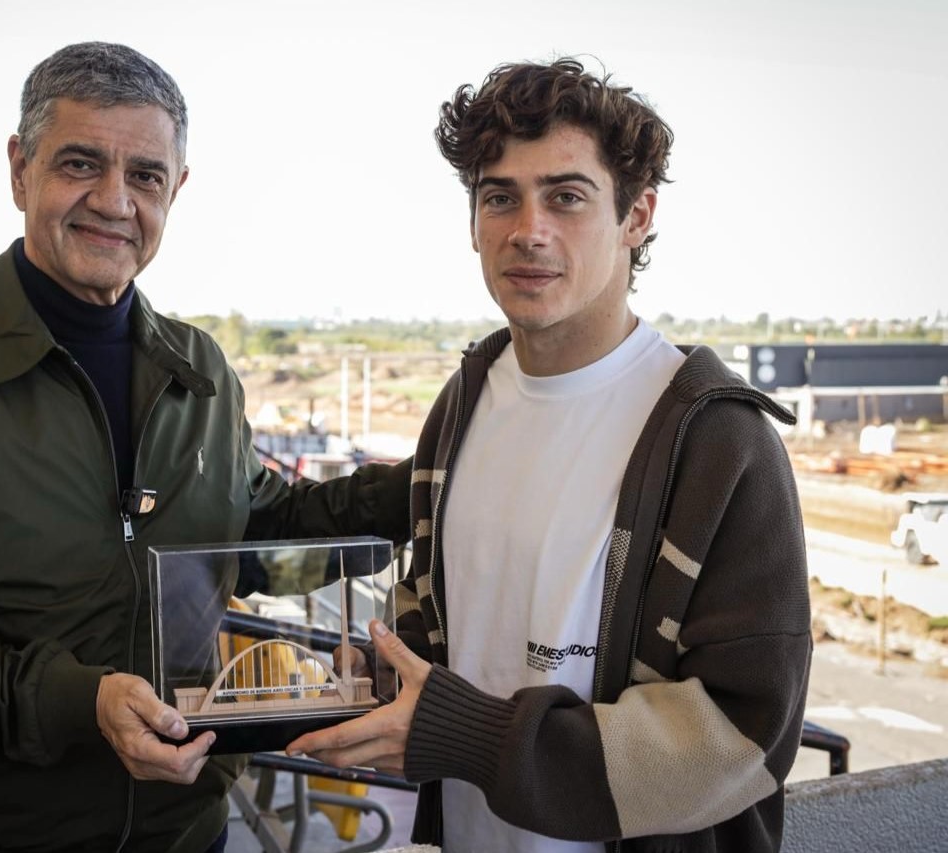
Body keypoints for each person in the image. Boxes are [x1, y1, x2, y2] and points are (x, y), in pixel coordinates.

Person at [0, 42, 410, 853]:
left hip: (178, 831)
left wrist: (417, 491)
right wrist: (77, 702)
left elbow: (249, 536)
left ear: (176, 189)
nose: (114, 201)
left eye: (146, 175)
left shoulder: (201, 373)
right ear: (20, 170)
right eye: (81, 163)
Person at [288, 58, 810, 853]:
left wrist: (473, 736)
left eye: (567, 196)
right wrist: (372, 677)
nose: (528, 228)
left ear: (637, 216)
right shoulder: (463, 404)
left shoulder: (718, 443)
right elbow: (443, 624)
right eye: (499, 196)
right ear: (472, 222)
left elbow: (739, 740)